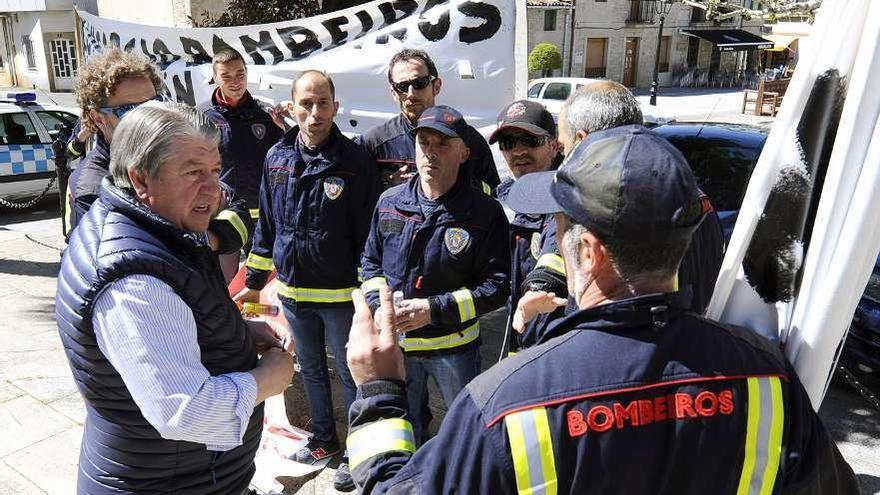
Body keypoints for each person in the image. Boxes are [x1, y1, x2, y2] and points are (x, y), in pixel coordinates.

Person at [344, 125, 860, 494]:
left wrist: (378, 395)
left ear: (589, 252)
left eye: (561, 229)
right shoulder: (767, 376)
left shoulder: (506, 404)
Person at [55, 102, 297, 494]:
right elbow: (183, 410)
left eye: (216, 170)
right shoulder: (132, 281)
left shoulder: (155, 224)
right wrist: (266, 380)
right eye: (192, 173)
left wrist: (237, 329)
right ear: (140, 179)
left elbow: (180, 313)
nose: (214, 189)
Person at [233, 70, 380, 491]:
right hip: (294, 295)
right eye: (306, 104)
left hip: (340, 296)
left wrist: (364, 295)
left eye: (322, 104)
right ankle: (323, 439)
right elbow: (267, 229)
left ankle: (358, 448)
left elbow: (369, 234)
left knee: (352, 374)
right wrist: (257, 279)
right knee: (310, 370)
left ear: (336, 106)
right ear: (291, 107)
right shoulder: (276, 158)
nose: (314, 113)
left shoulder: (354, 163)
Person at [359, 105, 510, 445]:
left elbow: (498, 286)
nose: (430, 151)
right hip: (399, 346)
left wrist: (433, 310)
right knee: (402, 424)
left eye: (442, 143)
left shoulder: (484, 212)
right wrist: (378, 305)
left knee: (466, 428)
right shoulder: (389, 201)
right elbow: (370, 264)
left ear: (463, 152)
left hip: (454, 349)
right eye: (423, 142)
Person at [525, 81, 724, 318]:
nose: (563, 157)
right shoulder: (690, 199)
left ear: (581, 140)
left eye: (564, 147)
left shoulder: (608, 209)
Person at [69, 47, 252, 257]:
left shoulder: (171, 148)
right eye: (129, 110)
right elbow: (111, 262)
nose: (149, 116)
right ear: (99, 118)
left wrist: (213, 239)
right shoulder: (92, 187)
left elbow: (237, 207)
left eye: (153, 103)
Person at [359, 48, 500, 192]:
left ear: (436, 86)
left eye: (419, 83)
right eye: (402, 86)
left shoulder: (467, 139)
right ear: (394, 93)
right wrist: (387, 188)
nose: (411, 93)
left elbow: (492, 194)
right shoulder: (374, 142)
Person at [490, 100, 567, 352]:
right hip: (522, 336)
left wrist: (539, 286)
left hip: (557, 338)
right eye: (509, 143)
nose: (519, 151)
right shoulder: (504, 197)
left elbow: (558, 245)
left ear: (553, 145)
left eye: (530, 141)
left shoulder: (567, 193)